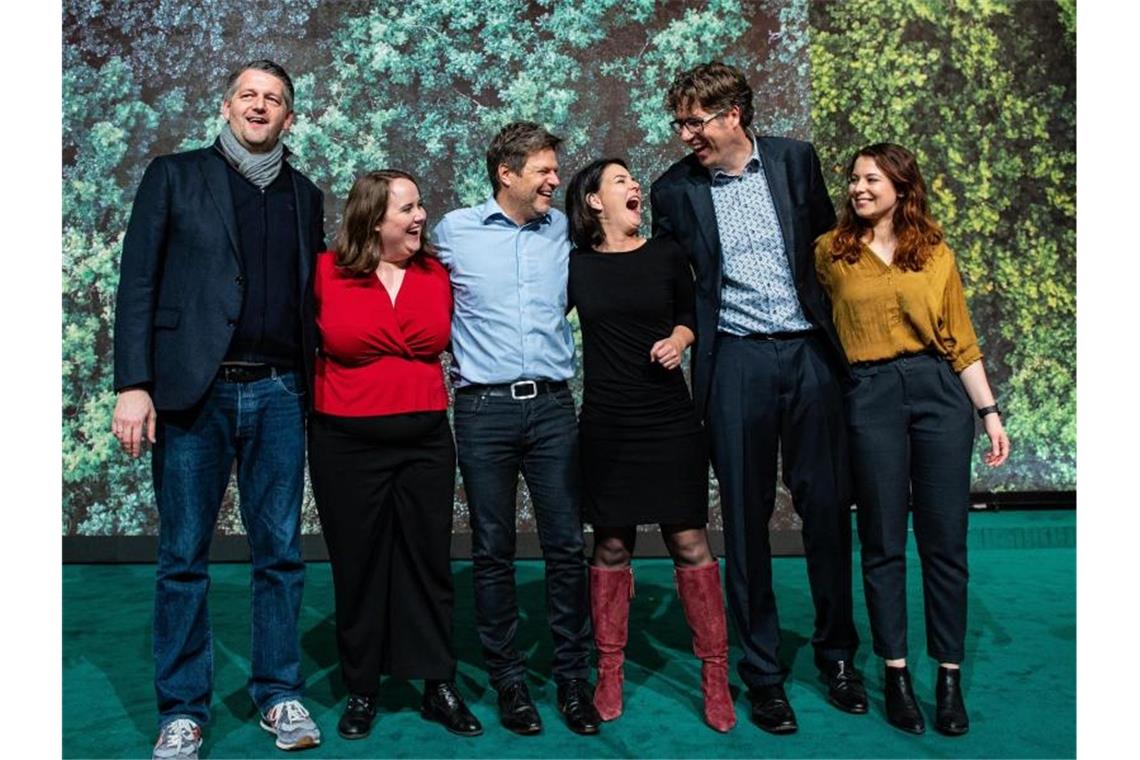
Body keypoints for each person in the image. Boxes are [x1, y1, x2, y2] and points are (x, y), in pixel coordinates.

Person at [111, 60, 323, 759]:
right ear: (227, 107)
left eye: (275, 100)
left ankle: (279, 693)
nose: (260, 107)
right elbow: (138, 281)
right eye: (249, 96)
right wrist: (133, 382)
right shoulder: (173, 175)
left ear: (289, 118)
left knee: (280, 555)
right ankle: (183, 710)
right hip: (190, 395)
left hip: (281, 393)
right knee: (181, 558)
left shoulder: (305, 194)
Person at [649, 61, 865, 734]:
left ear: (733, 115)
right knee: (743, 521)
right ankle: (764, 676)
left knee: (826, 509)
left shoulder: (796, 162)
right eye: (679, 122)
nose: (686, 135)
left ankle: (837, 657)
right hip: (735, 360)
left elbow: (831, 250)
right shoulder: (674, 190)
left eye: (695, 121)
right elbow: (676, 284)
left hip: (808, 355)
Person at [815, 143, 1010, 737]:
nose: (857, 188)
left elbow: (962, 340)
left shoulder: (935, 252)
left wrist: (989, 412)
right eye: (852, 180)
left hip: (938, 394)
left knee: (946, 541)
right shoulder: (831, 253)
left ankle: (947, 678)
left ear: (901, 185)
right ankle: (896, 674)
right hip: (869, 393)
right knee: (880, 539)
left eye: (871, 179)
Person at [432, 121, 601, 736]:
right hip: (483, 410)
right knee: (492, 550)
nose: (556, 181)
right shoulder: (454, 232)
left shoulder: (563, 230)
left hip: (554, 408)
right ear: (507, 174)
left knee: (564, 547)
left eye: (556, 170)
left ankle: (574, 680)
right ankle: (509, 682)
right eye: (545, 172)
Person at [308, 170, 482, 741]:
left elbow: (432, 339)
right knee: (359, 566)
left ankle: (438, 683)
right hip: (345, 441)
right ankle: (362, 688)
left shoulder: (436, 272)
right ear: (373, 219)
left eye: (420, 205)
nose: (420, 217)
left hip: (425, 440)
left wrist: (377, 345)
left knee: (428, 562)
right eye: (407, 209)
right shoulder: (326, 271)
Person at [565, 158, 736, 732]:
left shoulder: (666, 253)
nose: (634, 186)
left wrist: (679, 338)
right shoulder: (575, 266)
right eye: (620, 180)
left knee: (690, 542)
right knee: (611, 548)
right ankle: (608, 673)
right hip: (608, 424)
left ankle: (715, 675)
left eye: (632, 180)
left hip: (668, 419)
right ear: (593, 201)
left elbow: (691, 314)